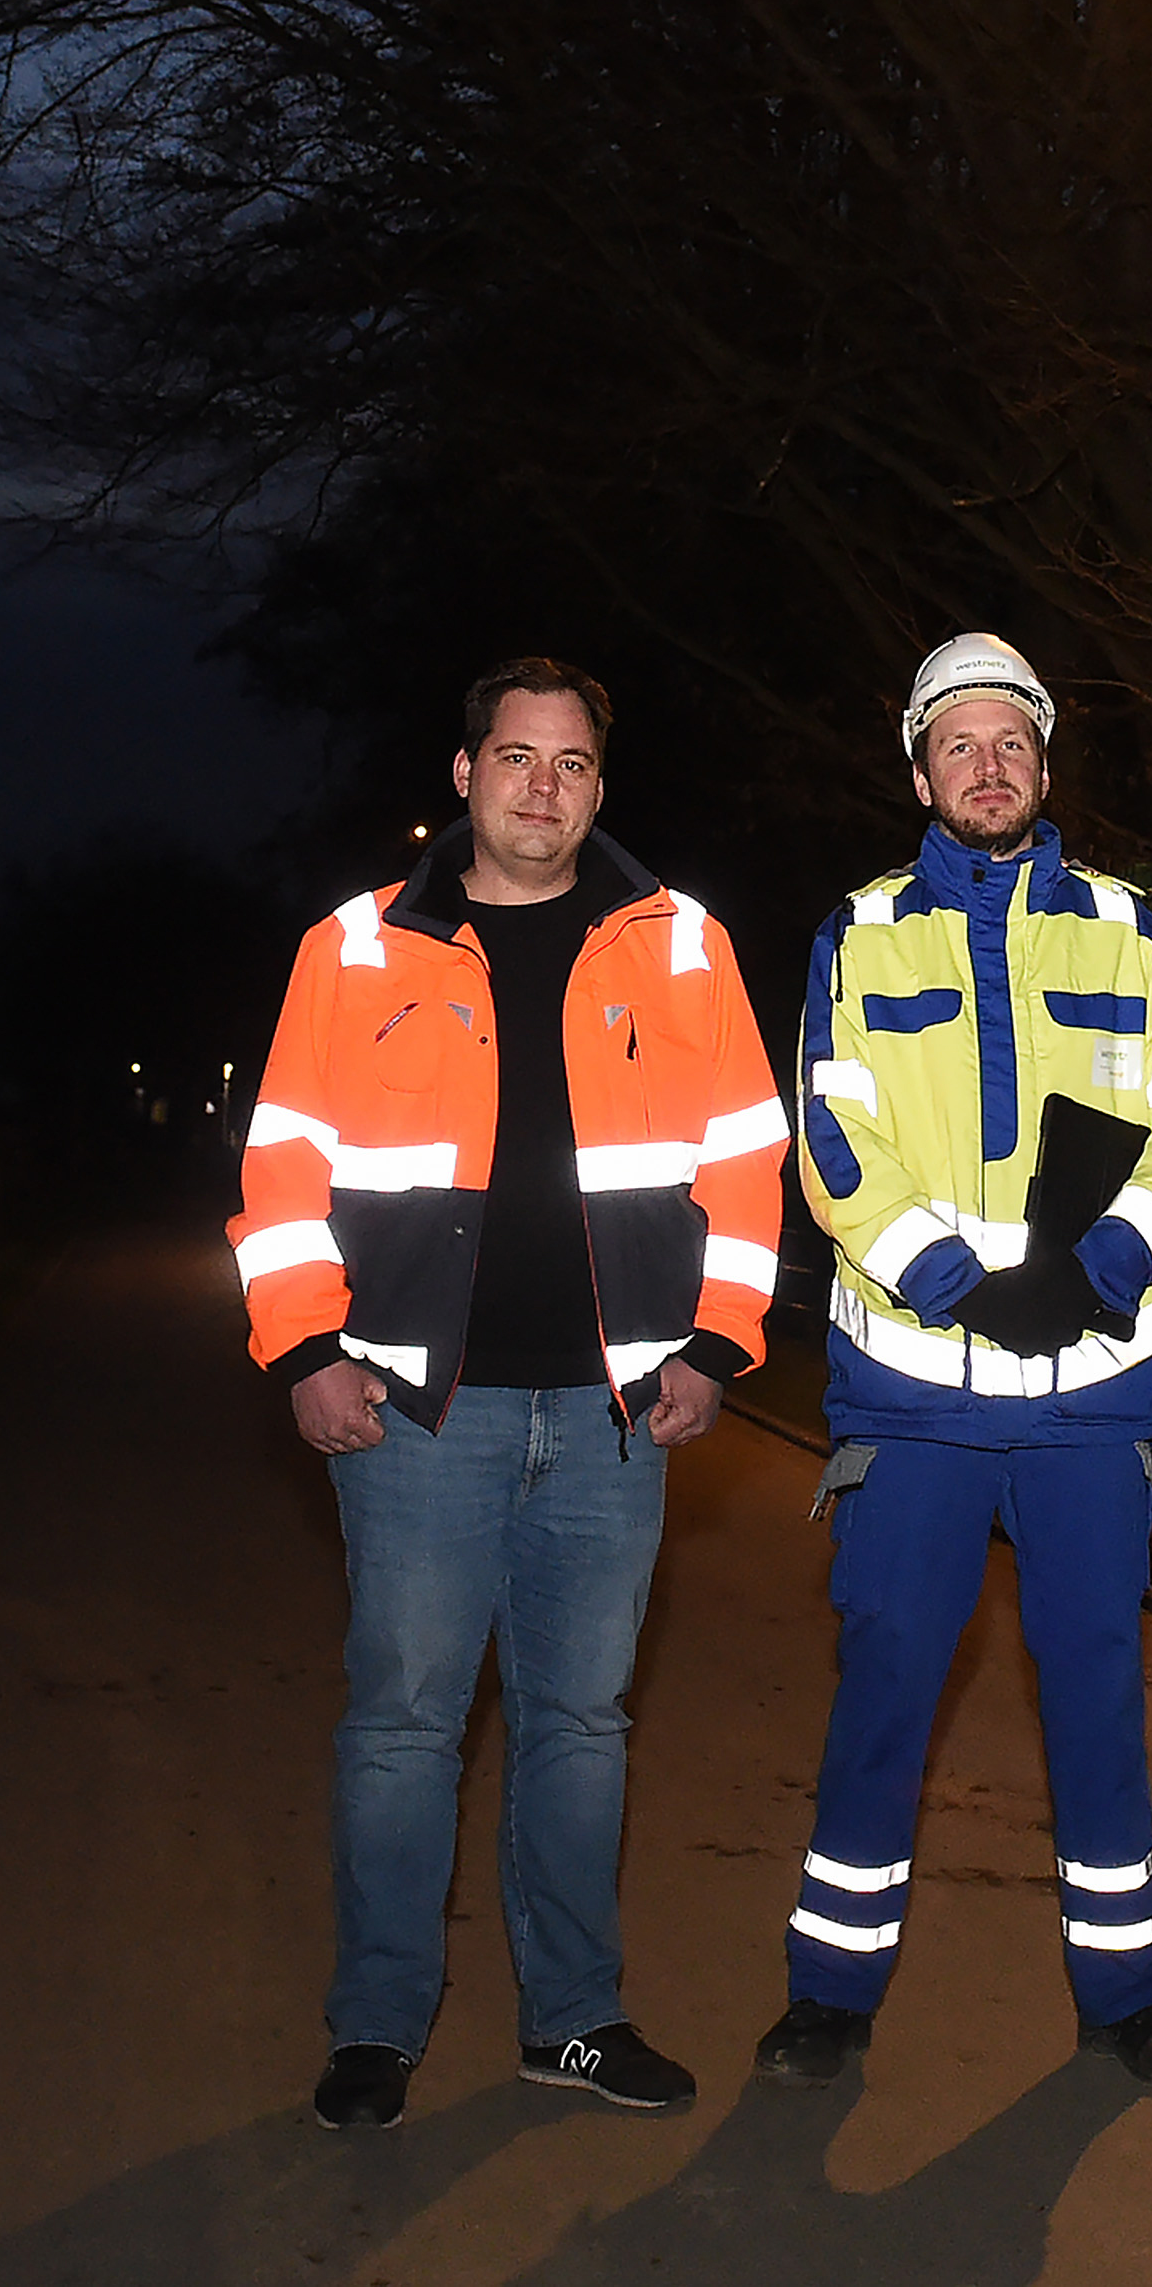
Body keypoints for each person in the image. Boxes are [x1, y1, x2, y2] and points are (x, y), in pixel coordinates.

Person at [231, 657, 789, 2132]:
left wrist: (718, 1343)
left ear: (602, 784)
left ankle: (576, 2020)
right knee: (408, 1721)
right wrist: (303, 1349)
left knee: (581, 1724)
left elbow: (744, 1155)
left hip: (615, 1410)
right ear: (465, 772)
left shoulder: (680, 945)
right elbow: (282, 1168)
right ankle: (377, 2029)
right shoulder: (353, 948)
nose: (546, 787)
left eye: (575, 764)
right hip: (419, 1410)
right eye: (519, 758)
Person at [752, 633, 1152, 2094]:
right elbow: (830, 1142)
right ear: (919, 771)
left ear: (1045, 765)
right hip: (916, 1404)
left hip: (1089, 1404)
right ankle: (829, 1993)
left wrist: (1109, 1266)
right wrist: (953, 1284)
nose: (988, 762)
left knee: (1096, 1691)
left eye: (1010, 738)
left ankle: (1128, 1997)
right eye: (958, 742)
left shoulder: (1129, 930)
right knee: (887, 1686)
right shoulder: (862, 930)